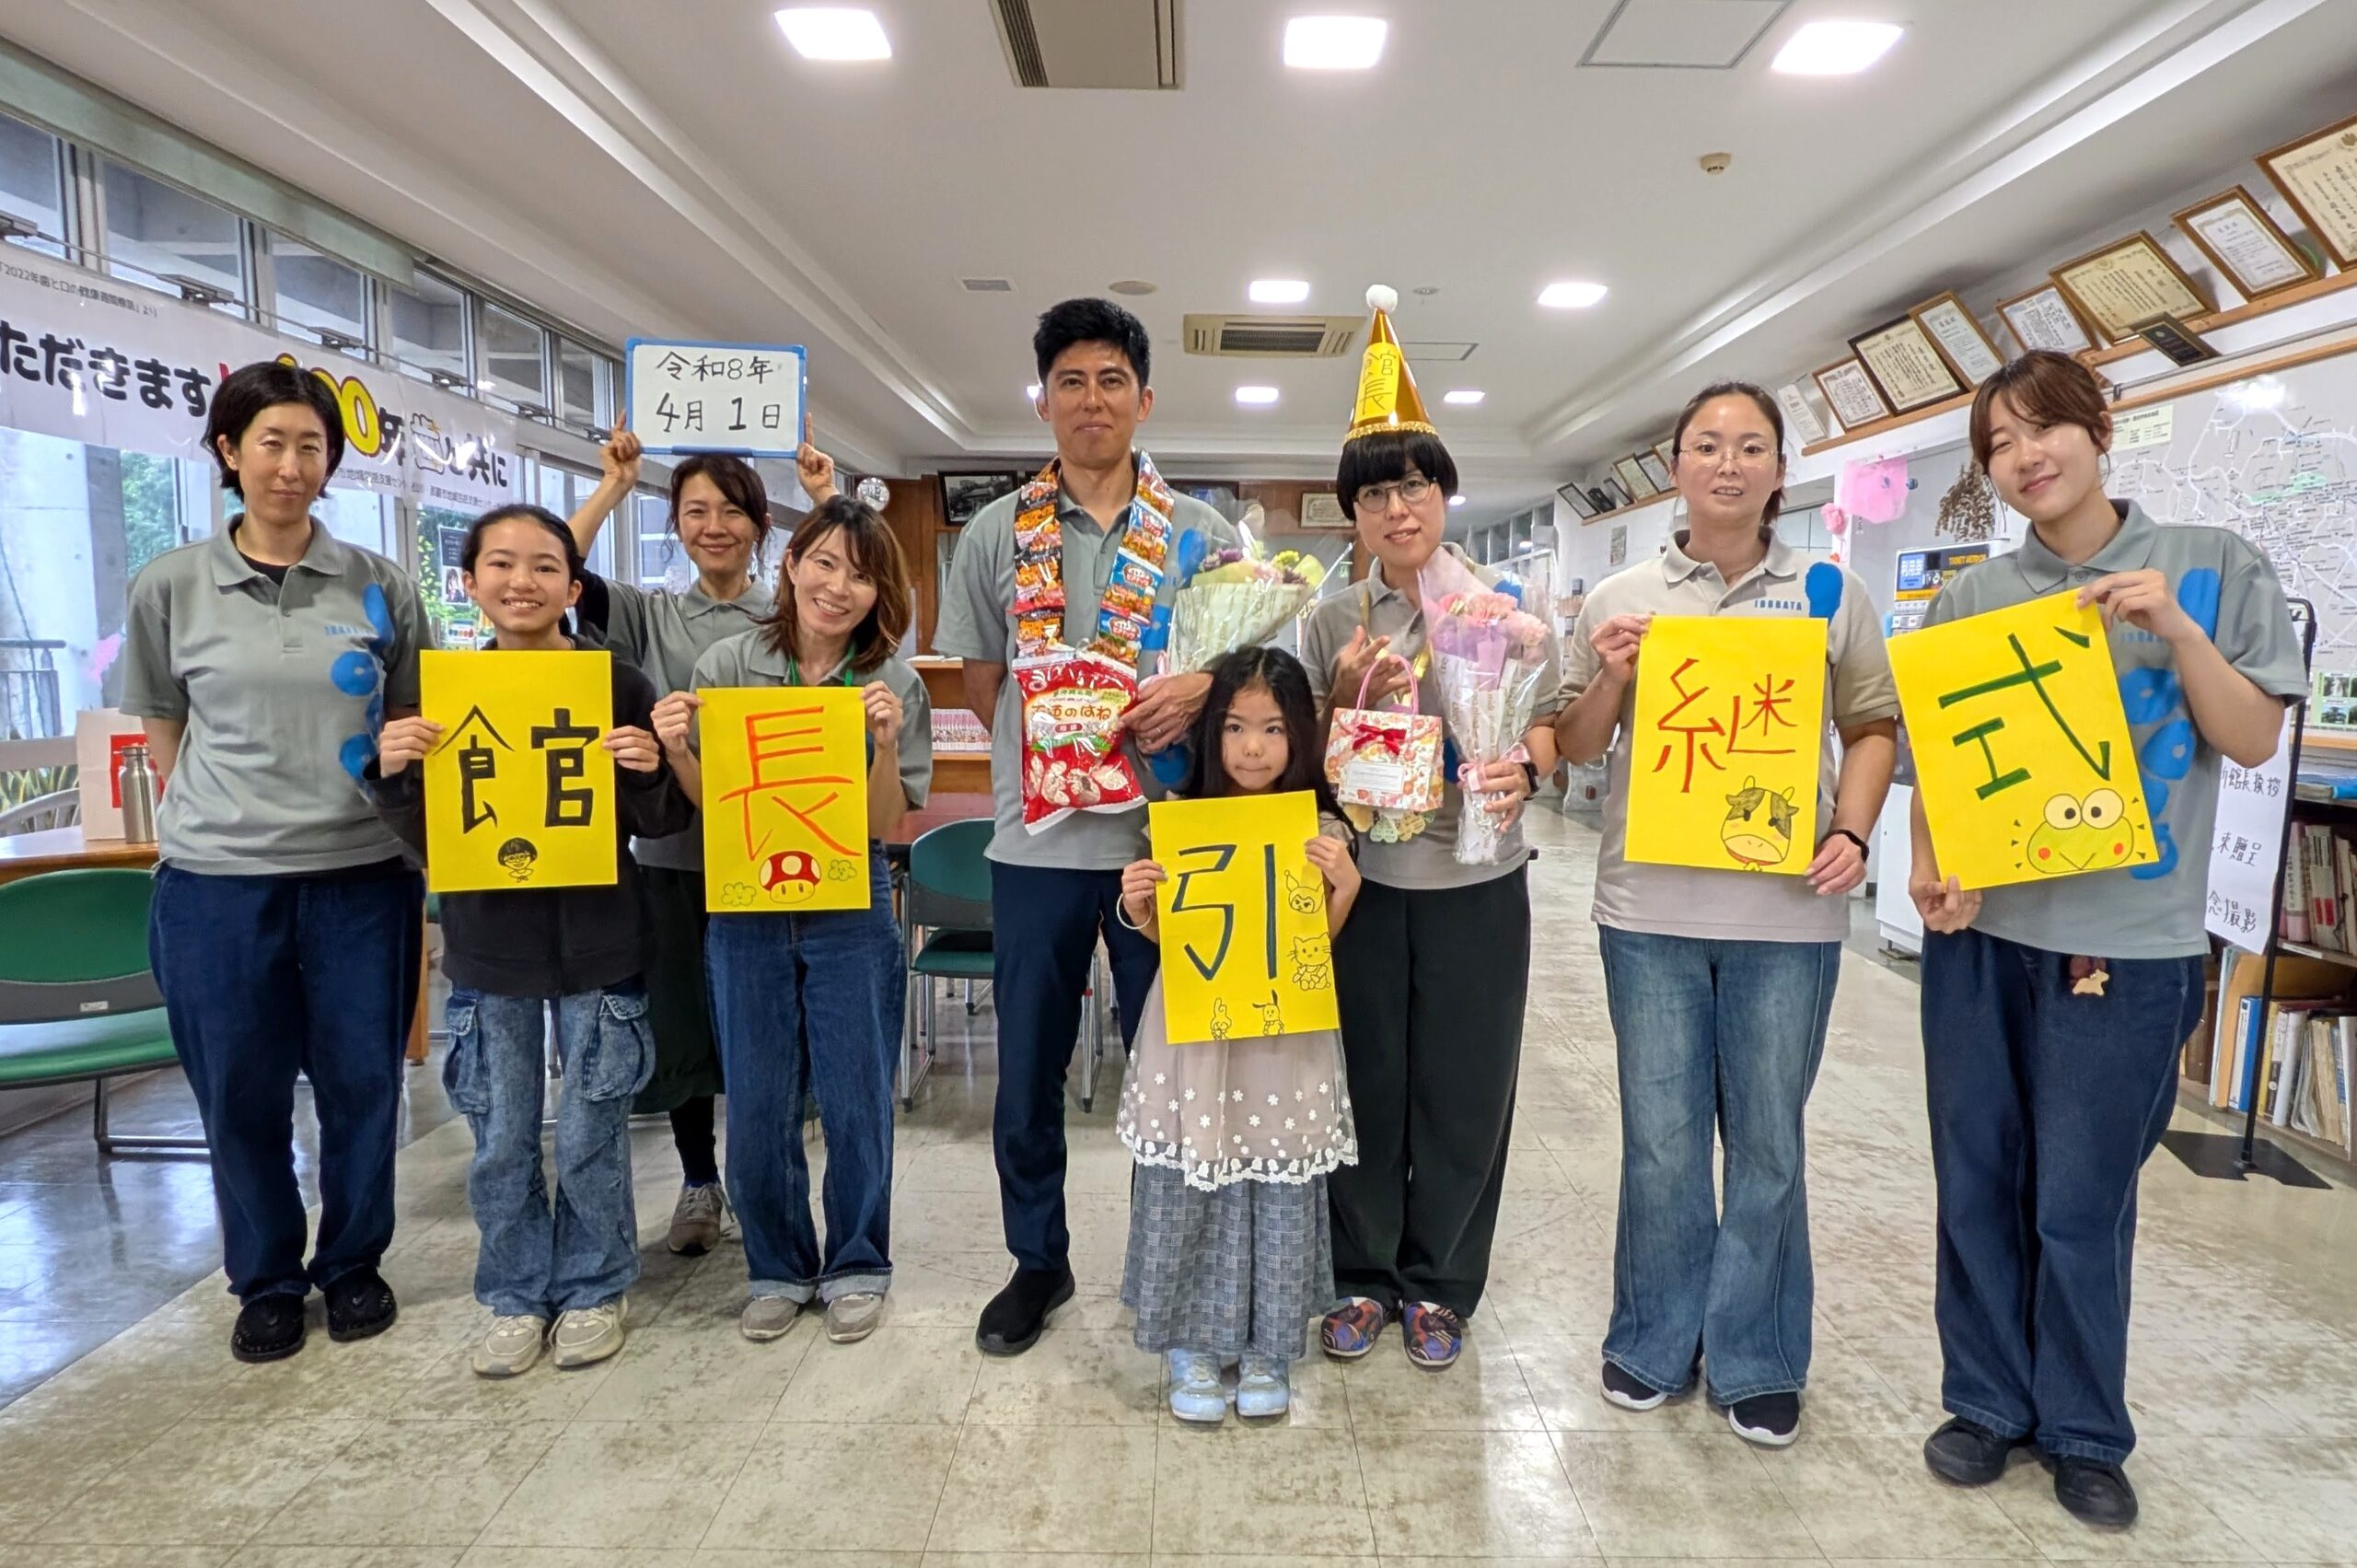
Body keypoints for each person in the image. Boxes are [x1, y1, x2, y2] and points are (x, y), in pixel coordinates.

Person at [1908, 351, 2302, 1526]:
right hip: (1988, 936)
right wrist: (1932, 862)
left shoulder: (2213, 567)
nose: (2024, 458)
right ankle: (1983, 1401)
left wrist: (2178, 628)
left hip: (2128, 944)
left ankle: (2083, 1427)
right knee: (1975, 1178)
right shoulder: (1976, 598)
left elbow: (2249, 739)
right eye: (1998, 445)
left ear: (2097, 429)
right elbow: (1943, 759)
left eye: (2043, 431)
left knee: (2080, 1199)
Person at [1553, 381, 1898, 1446]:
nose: (1728, 462)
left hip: (1788, 916)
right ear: (1675, 466)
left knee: (1766, 1143)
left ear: (1780, 471)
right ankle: (1653, 1336)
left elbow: (1873, 723)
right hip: (1648, 908)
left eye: (1752, 446)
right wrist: (1611, 677)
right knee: (1659, 1141)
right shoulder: (1621, 591)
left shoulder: (1830, 591)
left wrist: (1849, 830)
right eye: (1707, 444)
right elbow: (1570, 744)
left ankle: (1754, 1353)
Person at [934, 297, 1236, 1356]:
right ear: (1044, 400)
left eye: (1112, 379)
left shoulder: (1203, 534)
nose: (1092, 399)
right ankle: (1038, 1260)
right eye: (1071, 381)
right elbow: (980, 677)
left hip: (1166, 842)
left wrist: (1195, 686)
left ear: (1144, 399)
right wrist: (1052, 735)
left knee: (1181, 1061)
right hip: (1033, 847)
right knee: (1027, 1068)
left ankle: (1178, 1252)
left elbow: (1236, 678)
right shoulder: (992, 530)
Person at [120, 360, 430, 1363]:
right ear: (227, 452)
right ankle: (264, 1278)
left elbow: (410, 723)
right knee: (240, 1090)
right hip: (216, 884)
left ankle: (351, 1263)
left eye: (310, 446)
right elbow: (166, 725)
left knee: (361, 1082)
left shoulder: (378, 585)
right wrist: (223, 819)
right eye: (270, 443)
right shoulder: (170, 585)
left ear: (331, 459)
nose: (290, 466)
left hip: (361, 875)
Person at [1301, 287, 1561, 1371]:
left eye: (1411, 486)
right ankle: (1359, 1276)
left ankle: (1442, 1280)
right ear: (1351, 516)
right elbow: (1279, 749)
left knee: (1466, 1085)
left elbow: (1554, 733)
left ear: (1443, 493)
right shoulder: (1329, 616)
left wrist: (1523, 762)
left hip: (1476, 884)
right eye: (1372, 496)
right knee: (1361, 1077)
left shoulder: (1501, 608)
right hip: (1363, 884)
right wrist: (1342, 701)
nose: (1395, 510)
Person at [367, 505, 690, 1376]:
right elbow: (435, 837)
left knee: (591, 1122)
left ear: (573, 587)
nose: (523, 582)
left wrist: (653, 766)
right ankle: (514, 1290)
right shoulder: (444, 697)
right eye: (501, 565)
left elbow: (660, 818)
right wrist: (396, 772)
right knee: (502, 1130)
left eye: (545, 567)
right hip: (486, 946)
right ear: (468, 583)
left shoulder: (616, 682)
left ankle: (594, 1282)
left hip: (600, 937)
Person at [653, 494, 933, 1345]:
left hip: (852, 902)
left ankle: (857, 1260)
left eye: (860, 573)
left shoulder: (896, 683)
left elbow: (888, 820)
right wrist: (676, 748)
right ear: (791, 563)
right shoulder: (730, 663)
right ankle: (776, 1264)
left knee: (855, 1095)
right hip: (746, 904)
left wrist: (884, 741)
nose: (838, 586)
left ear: (881, 593)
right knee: (760, 1096)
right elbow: (714, 805)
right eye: (824, 562)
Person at [568, 431, 837, 1255]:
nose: (712, 525)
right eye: (694, 511)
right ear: (676, 525)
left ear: (761, 525)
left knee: (773, 1033)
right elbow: (554, 571)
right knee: (683, 1030)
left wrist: (827, 501)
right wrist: (614, 487)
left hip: (780, 856)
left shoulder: (794, 611)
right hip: (677, 857)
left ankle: (773, 1183)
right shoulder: (651, 615)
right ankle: (698, 1183)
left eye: (730, 510)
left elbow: (864, 583)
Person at [1114, 647, 1361, 1422]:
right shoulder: (1184, 820)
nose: (1253, 747)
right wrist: (1140, 904)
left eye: (1273, 729)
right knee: (1192, 1177)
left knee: (1278, 1184)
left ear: (1301, 738)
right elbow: (1167, 942)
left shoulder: (1316, 828)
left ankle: (1266, 1344)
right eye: (1235, 727)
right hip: (1194, 1035)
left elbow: (1310, 942)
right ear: (1212, 735)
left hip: (1283, 1041)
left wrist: (1345, 886)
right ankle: (1189, 1340)